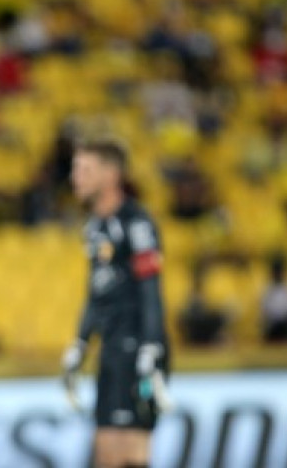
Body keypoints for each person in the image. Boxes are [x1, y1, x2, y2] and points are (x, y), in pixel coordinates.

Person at [62, 139, 170, 468]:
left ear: (110, 176)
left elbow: (151, 288)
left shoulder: (136, 223)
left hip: (136, 347)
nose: (74, 177)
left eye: (84, 169)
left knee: (128, 452)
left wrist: (151, 346)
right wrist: (81, 342)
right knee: (106, 452)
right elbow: (96, 292)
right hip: (110, 347)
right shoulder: (95, 227)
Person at [261, 254, 287, 342]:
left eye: (279, 272)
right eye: (276, 272)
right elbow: (266, 311)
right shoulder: (267, 289)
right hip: (274, 326)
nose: (278, 274)